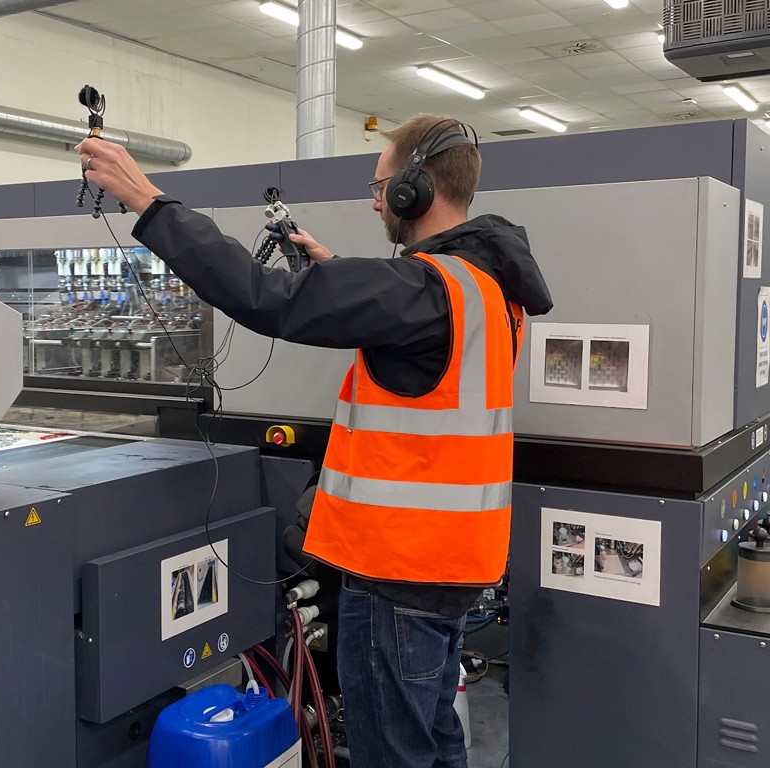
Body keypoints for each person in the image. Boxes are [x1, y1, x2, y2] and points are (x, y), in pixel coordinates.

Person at [77, 114, 553, 768]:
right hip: (455, 564)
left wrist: (146, 201)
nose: (376, 199)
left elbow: (258, 295)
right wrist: (337, 279)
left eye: (381, 186)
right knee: (436, 737)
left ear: (416, 189)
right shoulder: (487, 287)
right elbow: (423, 356)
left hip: (398, 574)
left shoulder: (421, 288)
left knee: (394, 753)